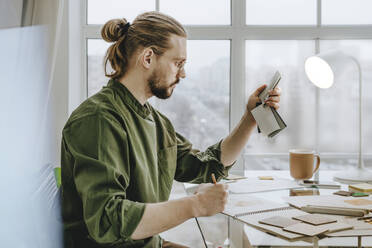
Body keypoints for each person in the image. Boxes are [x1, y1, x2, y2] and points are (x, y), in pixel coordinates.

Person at [61, 11, 281, 248]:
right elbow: (107, 220)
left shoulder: (155, 121)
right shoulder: (99, 120)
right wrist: (194, 206)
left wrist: (250, 118)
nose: (183, 73)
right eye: (178, 63)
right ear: (148, 58)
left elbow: (205, 166)